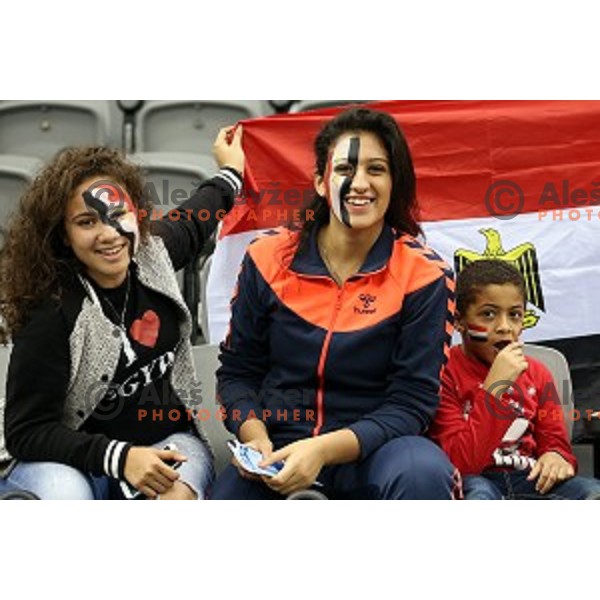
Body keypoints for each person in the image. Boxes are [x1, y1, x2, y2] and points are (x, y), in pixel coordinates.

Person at [211, 107, 459, 499]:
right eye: (345, 169)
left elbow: (413, 404)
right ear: (322, 183)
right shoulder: (266, 256)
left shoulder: (426, 275)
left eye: (376, 170)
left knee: (421, 471)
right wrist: (255, 438)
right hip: (281, 449)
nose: (359, 183)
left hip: (377, 451)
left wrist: (322, 450)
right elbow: (238, 373)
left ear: (395, 183)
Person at [0, 126, 245, 499]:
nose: (110, 233)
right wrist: (119, 458)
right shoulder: (50, 310)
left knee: (176, 497)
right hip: (67, 459)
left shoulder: (153, 253)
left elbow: (199, 215)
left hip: (167, 438)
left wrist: (232, 171)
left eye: (118, 213)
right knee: (66, 495)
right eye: (87, 222)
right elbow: (26, 431)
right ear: (63, 234)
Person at [428, 259, 600, 499]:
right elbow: (462, 462)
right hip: (476, 478)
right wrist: (495, 387)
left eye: (515, 315)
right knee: (478, 496)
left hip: (529, 478)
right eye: (488, 314)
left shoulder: (538, 373)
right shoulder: (443, 372)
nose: (504, 327)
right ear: (459, 322)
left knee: (591, 491)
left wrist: (555, 456)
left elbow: (555, 441)